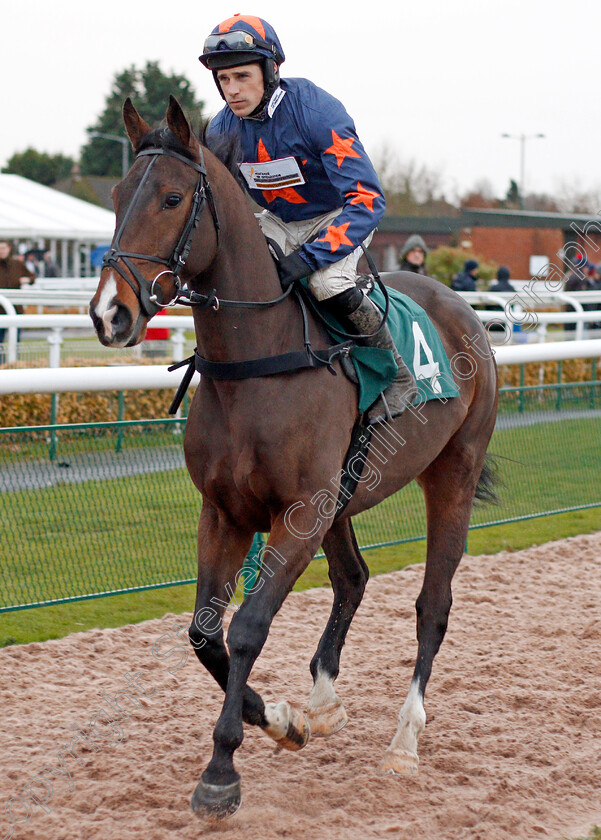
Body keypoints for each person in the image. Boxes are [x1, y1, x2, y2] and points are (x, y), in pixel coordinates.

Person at [200, 14, 416, 423]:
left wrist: (309, 256)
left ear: (272, 69)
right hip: (277, 220)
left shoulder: (316, 111)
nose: (232, 90)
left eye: (242, 76)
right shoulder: (220, 131)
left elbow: (368, 200)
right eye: (224, 79)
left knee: (325, 281)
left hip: (337, 215)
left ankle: (397, 375)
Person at [0, 240, 35, 357]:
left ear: (8, 249)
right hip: (0, 310)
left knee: (15, 340)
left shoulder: (17, 264)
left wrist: (27, 280)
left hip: (15, 309)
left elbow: (32, 277)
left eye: (3, 248)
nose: (2, 251)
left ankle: (14, 363)